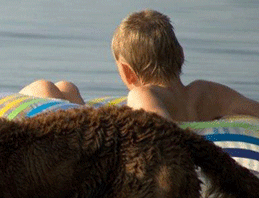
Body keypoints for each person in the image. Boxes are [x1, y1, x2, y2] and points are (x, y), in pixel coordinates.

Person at [19, 9, 259, 121]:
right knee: (66, 87)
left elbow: (159, 128)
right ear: (180, 55)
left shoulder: (142, 95)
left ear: (127, 72)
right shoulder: (205, 92)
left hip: (88, 140)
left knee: (45, 88)